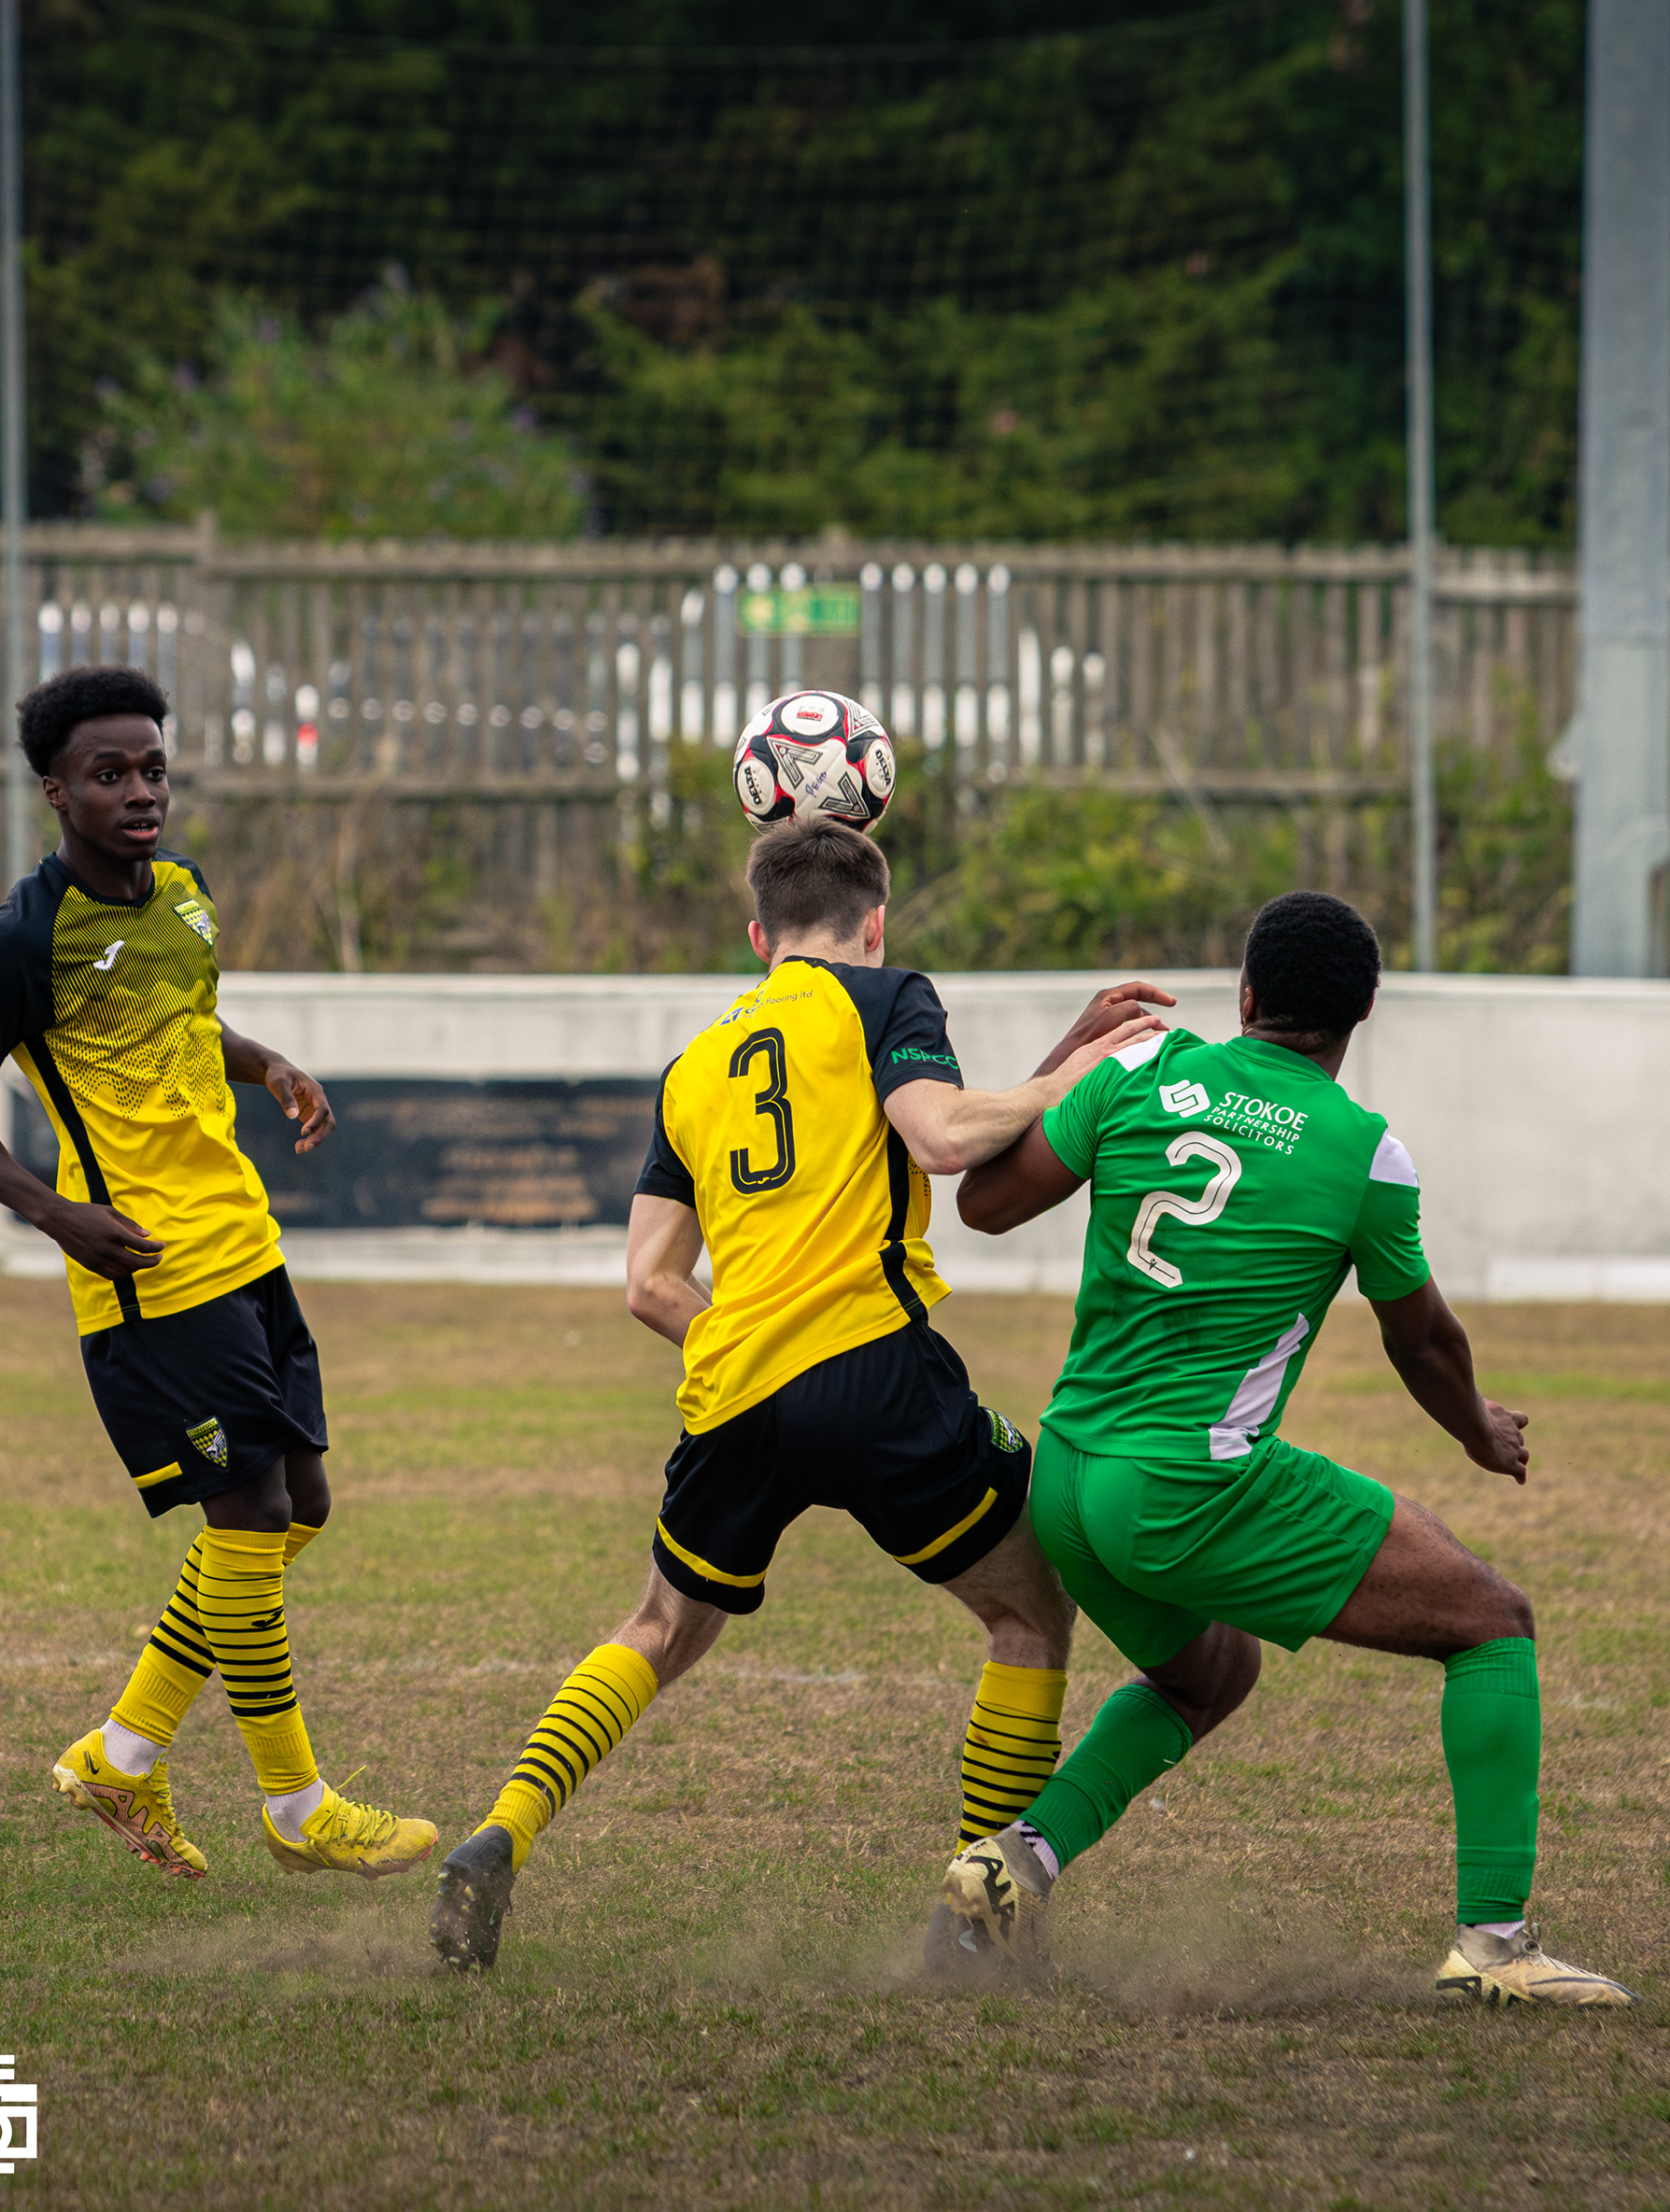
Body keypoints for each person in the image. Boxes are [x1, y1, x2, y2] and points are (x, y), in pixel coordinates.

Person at [430, 818, 1166, 1971]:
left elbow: (648, 1284)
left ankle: (500, 1834)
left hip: (733, 1390)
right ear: (875, 926)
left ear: (757, 935)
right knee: (1029, 1613)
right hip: (875, 1372)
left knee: (659, 1627)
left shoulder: (695, 1066)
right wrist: (1075, 1074)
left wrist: (757, 1341)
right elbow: (939, 1138)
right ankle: (977, 1918)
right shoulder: (886, 995)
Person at [925, 889, 1635, 2009]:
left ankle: (1012, 1867)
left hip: (1067, 1476)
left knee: (1210, 1671)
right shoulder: (1364, 1150)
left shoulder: (1138, 1070)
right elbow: (1423, 1340)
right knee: (1494, 1622)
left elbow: (984, 1205)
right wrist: (1479, 1428)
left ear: (1246, 994)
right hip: (1187, 1486)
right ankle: (1495, 1948)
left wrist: (1067, 1055)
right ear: (1362, 1015)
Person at [0, 665, 436, 1885]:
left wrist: (268, 1064)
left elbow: (184, 1021)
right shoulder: (20, 941)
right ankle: (298, 1806)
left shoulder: (185, 897)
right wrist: (55, 1215)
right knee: (247, 1517)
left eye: (152, 768)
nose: (140, 792)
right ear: (57, 791)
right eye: (110, 774)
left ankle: (122, 1753)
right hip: (149, 1273)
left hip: (243, 1245)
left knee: (301, 1508)